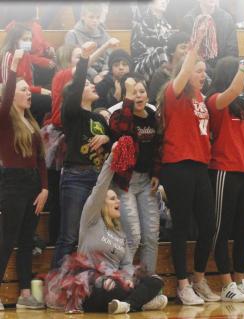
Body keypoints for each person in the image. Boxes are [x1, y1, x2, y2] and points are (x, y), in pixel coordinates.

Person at [45, 149, 167, 314]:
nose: (117, 200)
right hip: (90, 285)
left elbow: (126, 265)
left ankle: (127, 305)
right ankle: (140, 302)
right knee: (111, 286)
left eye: (117, 198)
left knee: (155, 281)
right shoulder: (91, 221)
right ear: (101, 204)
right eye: (112, 198)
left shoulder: (120, 233)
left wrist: (129, 278)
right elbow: (101, 186)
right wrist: (112, 157)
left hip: (114, 283)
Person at [158, 23, 217, 305]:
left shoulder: (203, 100)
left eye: (205, 71)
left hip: (200, 166)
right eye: (198, 70)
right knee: (181, 225)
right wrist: (196, 44)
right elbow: (182, 72)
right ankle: (182, 285)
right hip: (177, 165)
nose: (203, 75)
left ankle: (198, 278)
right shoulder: (174, 93)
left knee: (208, 225)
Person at [205, 42, 244, 302]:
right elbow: (233, 90)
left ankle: (240, 280)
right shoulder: (215, 100)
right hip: (224, 171)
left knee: (243, 229)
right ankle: (226, 282)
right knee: (221, 228)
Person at [51, 42, 111, 269]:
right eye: (86, 85)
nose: (91, 86)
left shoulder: (98, 118)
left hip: (98, 180)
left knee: (93, 237)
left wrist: (107, 138)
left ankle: (86, 284)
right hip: (75, 177)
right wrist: (85, 59)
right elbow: (75, 86)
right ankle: (55, 288)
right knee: (69, 236)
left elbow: (114, 146)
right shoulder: (72, 113)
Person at [0, 49, 48, 310]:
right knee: (7, 240)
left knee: (28, 241)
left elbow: (40, 159)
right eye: (22, 89)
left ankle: (25, 294)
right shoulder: (4, 120)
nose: (28, 93)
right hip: (12, 184)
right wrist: (14, 67)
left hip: (32, 185)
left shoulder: (31, 122)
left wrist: (44, 188)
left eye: (29, 90)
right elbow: (5, 99)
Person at [109, 75, 161, 276]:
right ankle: (126, 282)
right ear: (125, 96)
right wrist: (127, 101)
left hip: (147, 181)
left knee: (151, 237)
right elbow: (122, 132)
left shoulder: (153, 116)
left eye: (141, 91)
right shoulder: (119, 116)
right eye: (133, 92)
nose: (138, 96)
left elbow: (158, 147)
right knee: (134, 236)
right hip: (125, 183)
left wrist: (156, 173)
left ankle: (149, 285)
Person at [0, 24, 52, 125]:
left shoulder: (27, 55)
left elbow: (29, 82)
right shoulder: (8, 55)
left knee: (51, 96)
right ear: (16, 40)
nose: (28, 42)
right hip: (11, 96)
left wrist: (40, 90)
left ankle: (35, 128)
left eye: (30, 39)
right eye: (25, 39)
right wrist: (39, 90)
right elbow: (8, 88)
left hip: (26, 91)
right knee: (46, 100)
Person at [180, 0, 238, 72]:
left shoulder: (227, 18)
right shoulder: (189, 19)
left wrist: (222, 70)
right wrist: (210, 72)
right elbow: (188, 52)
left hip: (223, 71)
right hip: (198, 71)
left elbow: (232, 50)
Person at [64, 3, 112, 81]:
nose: (95, 21)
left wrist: (105, 70)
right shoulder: (72, 35)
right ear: (83, 16)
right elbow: (74, 62)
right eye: (91, 17)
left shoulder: (104, 35)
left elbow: (110, 55)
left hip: (103, 72)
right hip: (82, 74)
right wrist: (94, 75)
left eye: (98, 17)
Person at [131, 0, 172, 82]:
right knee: (160, 52)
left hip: (162, 63)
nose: (164, 2)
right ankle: (169, 84)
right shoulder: (140, 23)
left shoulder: (167, 26)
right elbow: (138, 53)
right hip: (141, 66)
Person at [148, 31, 190, 105]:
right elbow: (153, 103)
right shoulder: (161, 74)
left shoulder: (192, 72)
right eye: (183, 47)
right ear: (172, 51)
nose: (187, 51)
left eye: (189, 48)